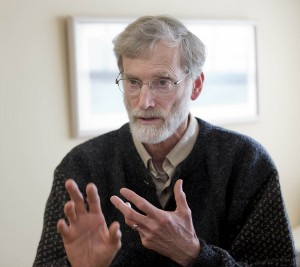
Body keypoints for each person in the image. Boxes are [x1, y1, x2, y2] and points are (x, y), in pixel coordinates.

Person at [33, 15, 296, 266]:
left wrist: (194, 254)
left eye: (162, 82)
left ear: (196, 85)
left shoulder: (247, 163)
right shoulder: (80, 166)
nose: (144, 102)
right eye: (133, 82)